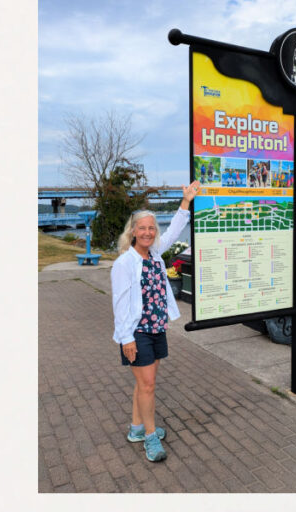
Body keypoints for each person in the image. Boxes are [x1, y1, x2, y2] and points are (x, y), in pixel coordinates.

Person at [110, 180, 200, 462]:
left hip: (157, 328)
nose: (147, 232)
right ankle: (150, 437)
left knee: (144, 384)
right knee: (148, 385)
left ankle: (137, 429)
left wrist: (185, 202)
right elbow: (120, 304)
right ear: (133, 232)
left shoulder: (155, 255)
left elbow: (174, 231)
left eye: (151, 228)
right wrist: (126, 338)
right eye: (142, 228)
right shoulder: (125, 263)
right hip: (137, 333)